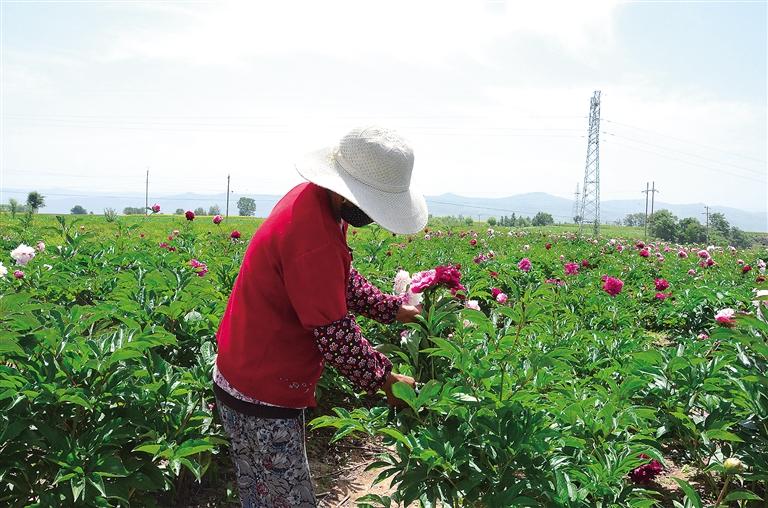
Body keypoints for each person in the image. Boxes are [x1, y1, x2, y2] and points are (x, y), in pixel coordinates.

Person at [214, 126, 428, 507]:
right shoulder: (312, 238)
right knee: (287, 501)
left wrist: (390, 307)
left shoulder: (317, 202)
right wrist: (386, 379)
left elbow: (337, 279)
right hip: (261, 392)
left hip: (241, 373)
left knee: (260, 494)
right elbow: (334, 334)